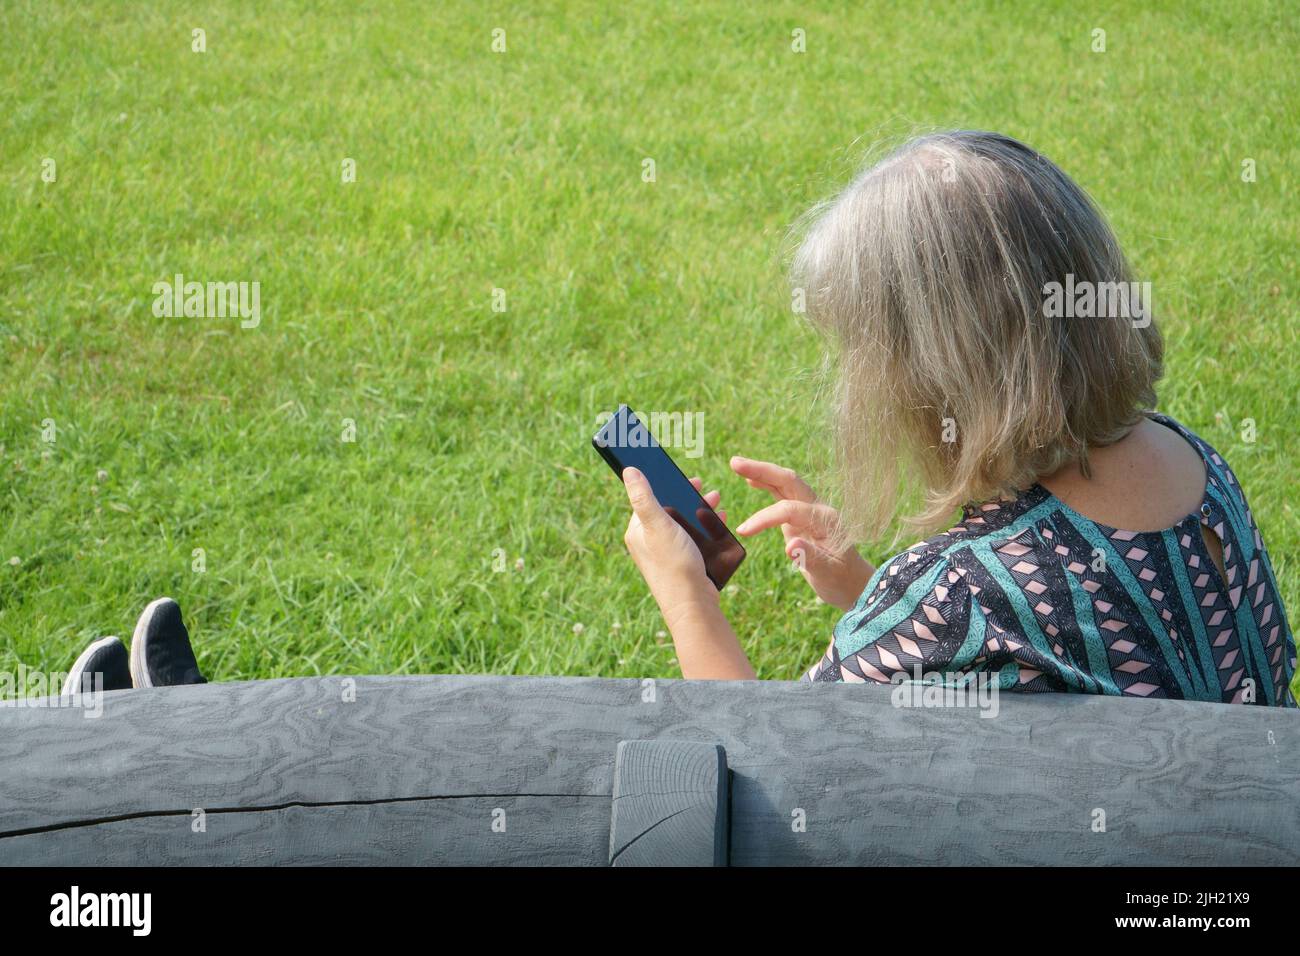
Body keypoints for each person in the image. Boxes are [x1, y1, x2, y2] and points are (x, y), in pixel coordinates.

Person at [621, 130, 1296, 705]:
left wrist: (688, 596)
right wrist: (869, 593)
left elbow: (772, 762)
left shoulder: (954, 595)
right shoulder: (1195, 466)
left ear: (923, 377)